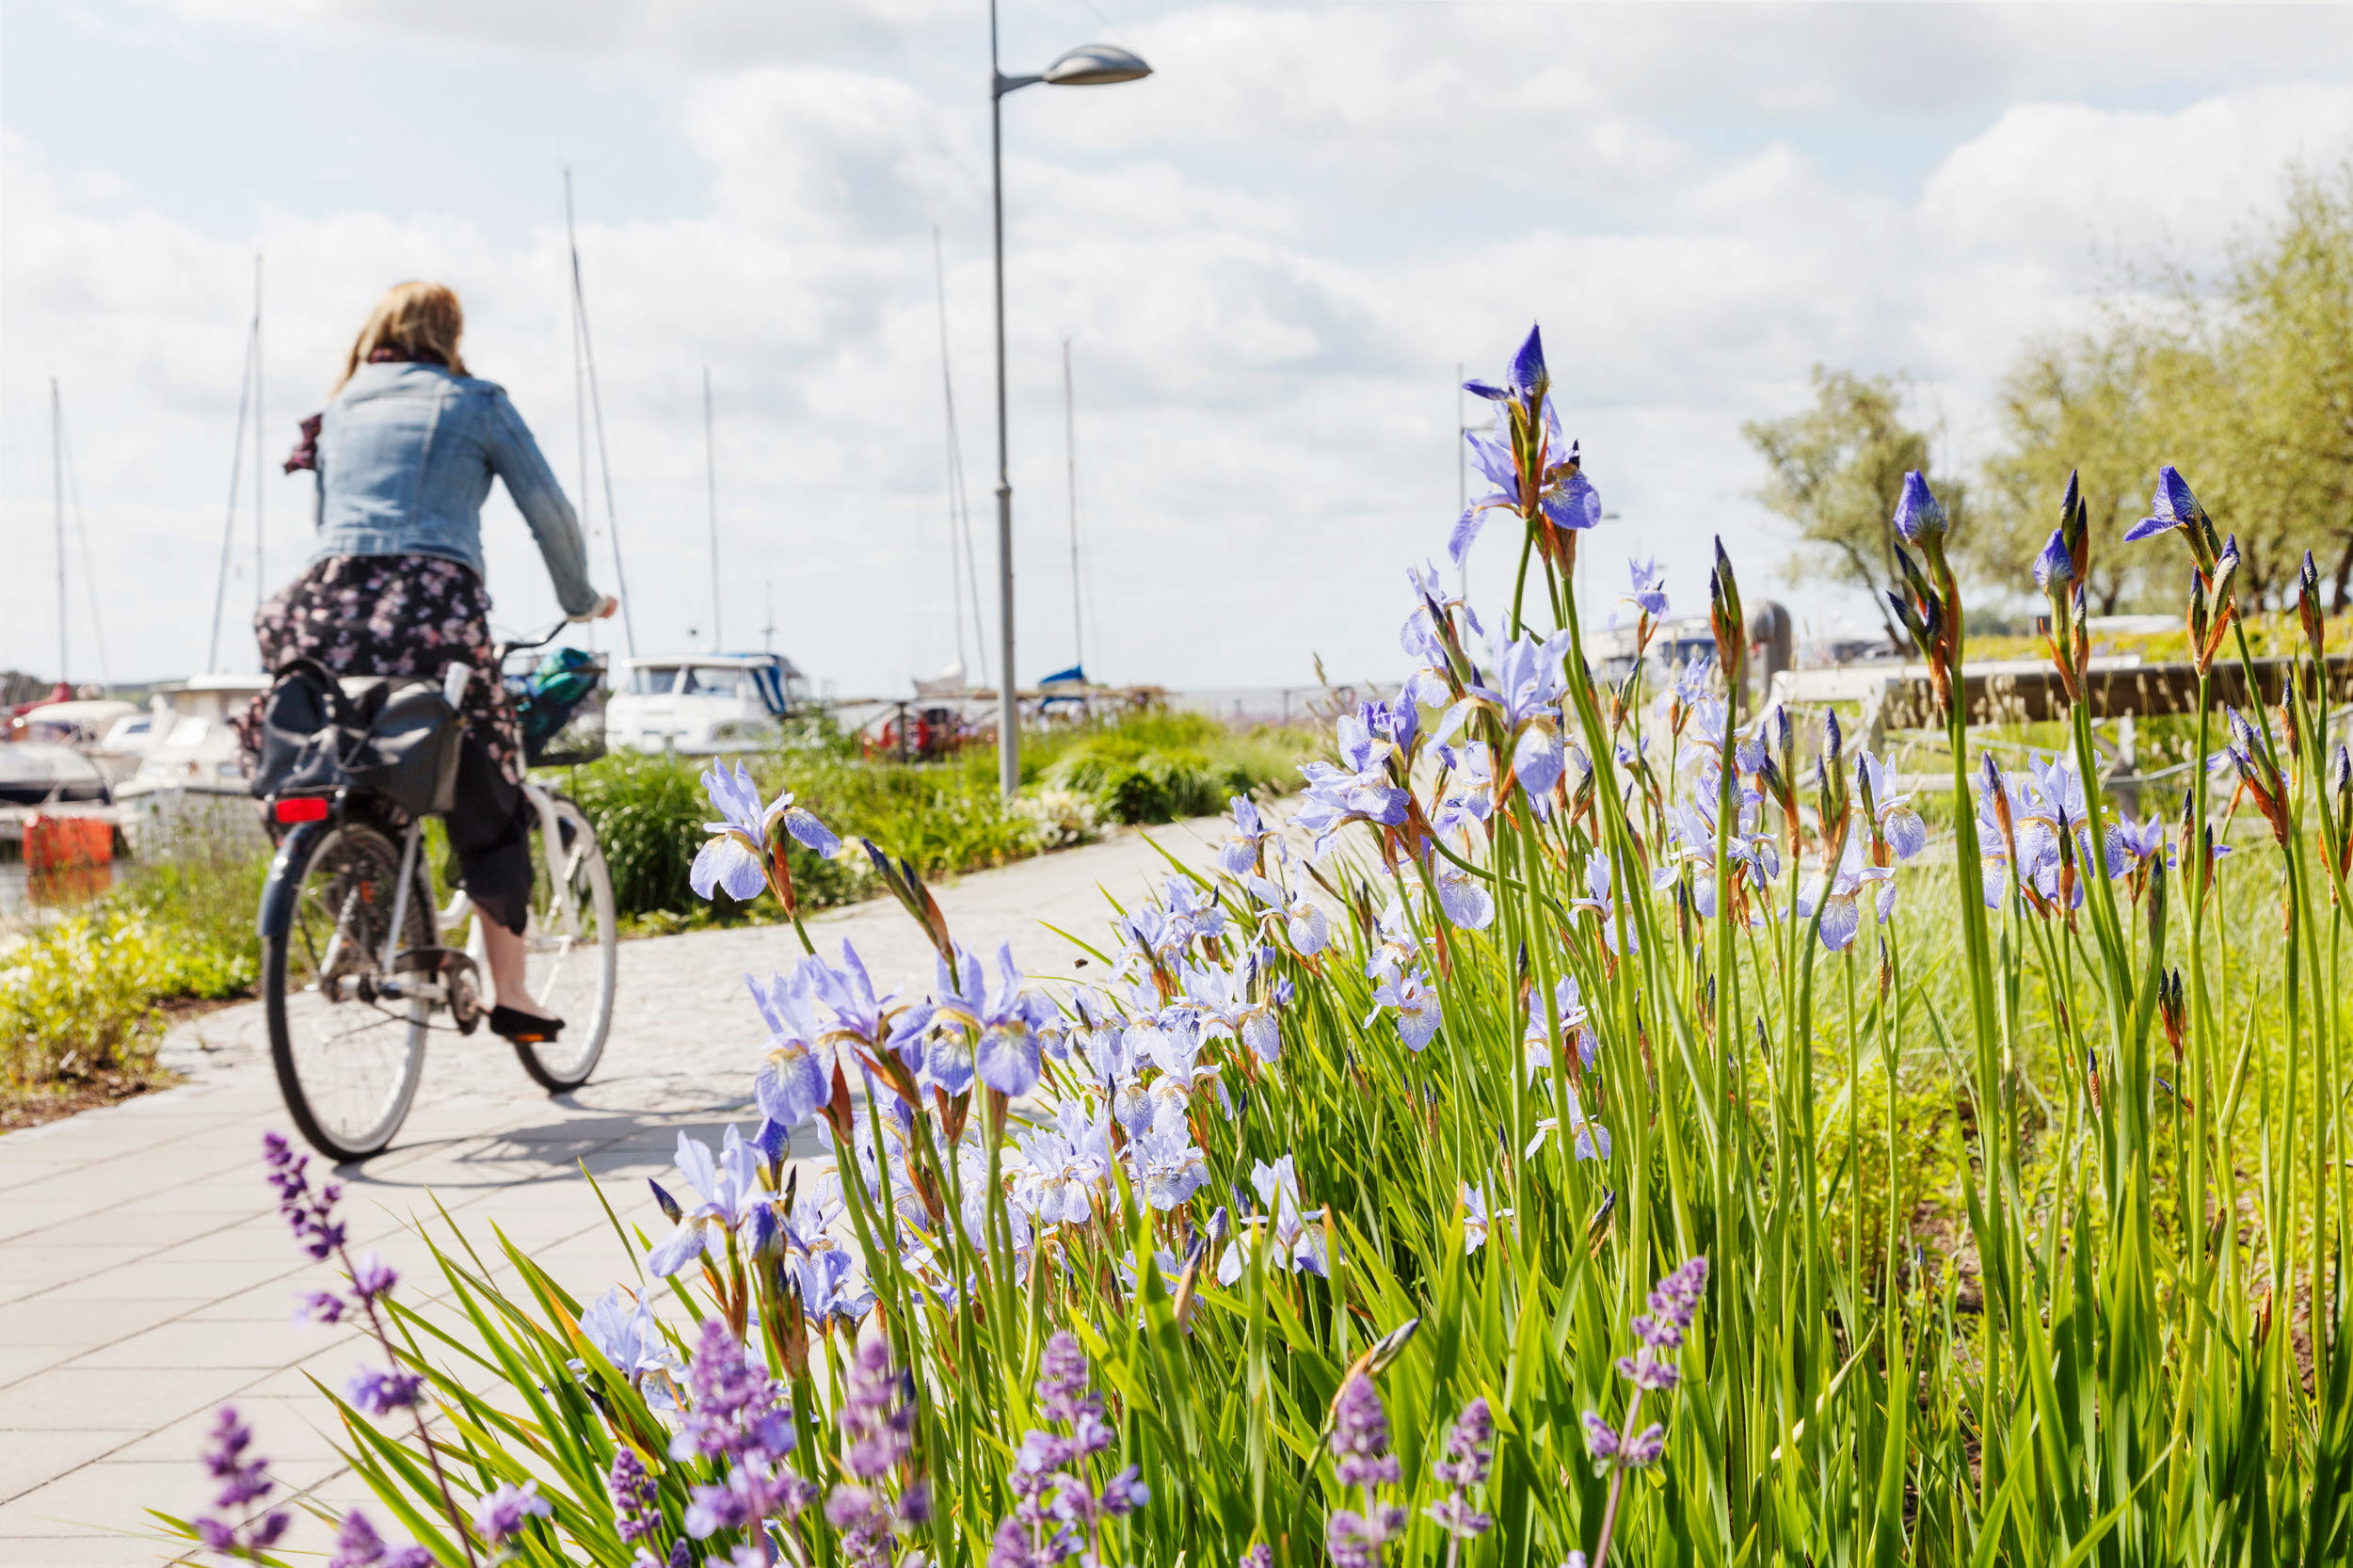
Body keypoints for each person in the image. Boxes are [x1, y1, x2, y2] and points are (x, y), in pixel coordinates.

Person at [253, 280, 616, 1048]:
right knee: (490, 778)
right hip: (431, 604)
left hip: (322, 604)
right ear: (451, 335)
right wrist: (581, 600)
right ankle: (512, 994)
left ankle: (363, 914)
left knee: (338, 763)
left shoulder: (341, 407)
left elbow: (329, 524)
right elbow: (548, 512)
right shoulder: (474, 401)